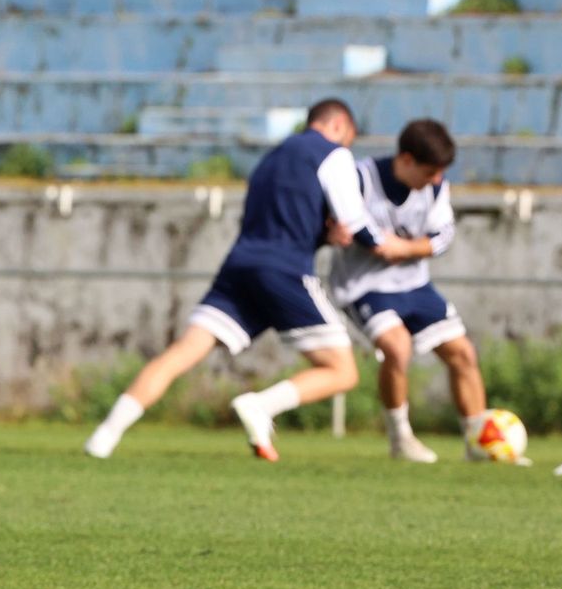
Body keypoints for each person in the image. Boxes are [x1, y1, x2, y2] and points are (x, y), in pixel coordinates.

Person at [85, 98, 413, 461]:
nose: (347, 147)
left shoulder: (269, 160)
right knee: (342, 370)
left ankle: (105, 435)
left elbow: (280, 218)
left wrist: (323, 236)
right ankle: (261, 406)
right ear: (339, 126)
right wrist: (388, 246)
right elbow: (354, 219)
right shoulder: (333, 154)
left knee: (181, 353)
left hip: (240, 265)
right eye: (348, 138)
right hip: (285, 269)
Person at [326, 119, 488, 462]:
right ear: (406, 160)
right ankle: (401, 439)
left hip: (414, 284)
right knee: (397, 348)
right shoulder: (359, 179)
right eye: (429, 172)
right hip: (364, 287)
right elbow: (345, 226)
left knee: (463, 353)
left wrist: (402, 249)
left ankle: (479, 444)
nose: (436, 180)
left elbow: (442, 236)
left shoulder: (435, 186)